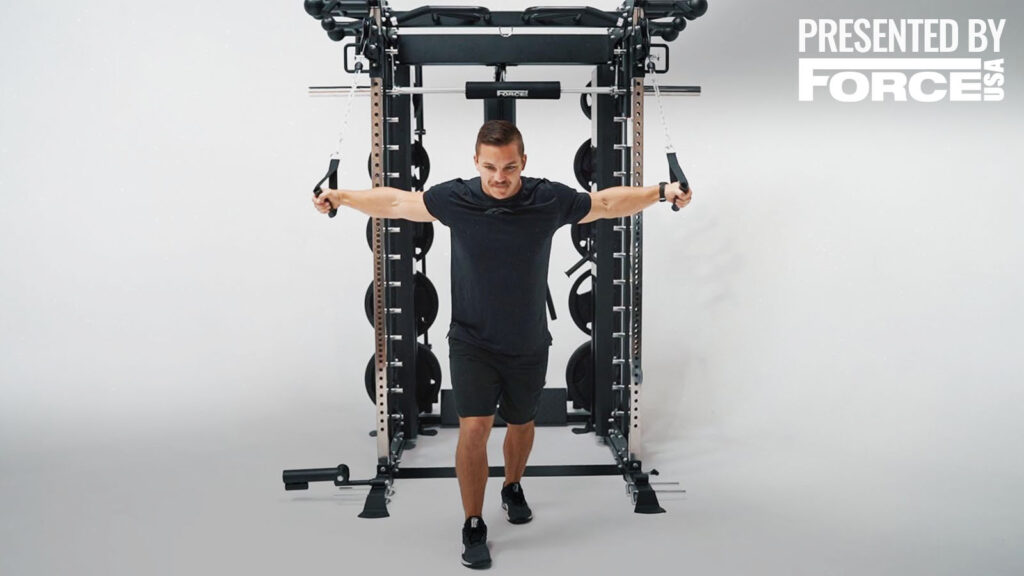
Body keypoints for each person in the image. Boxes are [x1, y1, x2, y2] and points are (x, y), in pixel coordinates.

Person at [312, 120, 691, 569]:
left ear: (523, 163)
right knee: (474, 427)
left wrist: (661, 190)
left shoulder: (548, 199)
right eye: (490, 167)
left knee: (521, 423)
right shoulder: (456, 199)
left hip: (528, 341)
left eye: (509, 167)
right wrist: (342, 197)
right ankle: (473, 522)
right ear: (476, 162)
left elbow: (605, 202)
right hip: (471, 340)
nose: (499, 177)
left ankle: (512, 485)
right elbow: (396, 201)